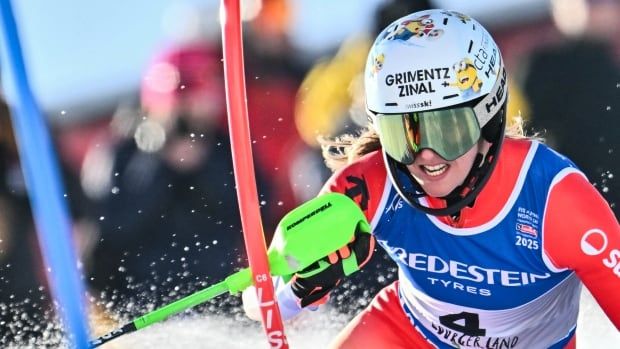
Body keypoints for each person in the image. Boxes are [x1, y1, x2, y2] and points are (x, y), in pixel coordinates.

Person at [243, 9, 619, 348]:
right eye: (402, 133)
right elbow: (259, 302)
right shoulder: (367, 185)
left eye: (446, 130)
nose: (425, 154)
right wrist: (299, 288)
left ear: (487, 118)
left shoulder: (554, 200)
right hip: (406, 333)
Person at [83, 41, 263, 312]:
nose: (203, 107)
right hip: (143, 307)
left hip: (220, 300)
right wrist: (162, 165)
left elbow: (259, 207)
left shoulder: (222, 145)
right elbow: (108, 226)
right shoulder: (123, 149)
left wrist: (204, 168)